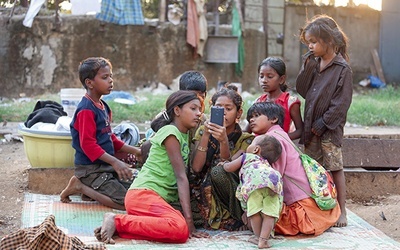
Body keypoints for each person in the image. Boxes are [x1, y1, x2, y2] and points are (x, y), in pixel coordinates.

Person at [95, 90, 210, 244]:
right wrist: (189, 223)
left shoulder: (183, 135)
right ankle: (117, 221)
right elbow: (181, 177)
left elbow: (195, 168)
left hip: (153, 199)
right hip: (143, 195)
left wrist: (206, 135)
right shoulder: (170, 132)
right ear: (177, 110)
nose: (199, 114)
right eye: (193, 108)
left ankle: (122, 225)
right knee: (180, 228)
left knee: (178, 224)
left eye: (200, 110)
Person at [247, 102, 340, 236]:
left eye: (256, 115)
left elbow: (269, 180)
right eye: (250, 117)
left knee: (255, 213)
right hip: (317, 204)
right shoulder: (282, 135)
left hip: (304, 211)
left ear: (274, 119)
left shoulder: (272, 140)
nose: (251, 119)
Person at [60, 57, 141, 210]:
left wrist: (135, 151)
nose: (110, 80)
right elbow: (88, 145)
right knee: (126, 203)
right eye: (105, 77)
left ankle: (91, 192)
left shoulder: (103, 106)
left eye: (111, 76)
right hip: (91, 170)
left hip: (105, 167)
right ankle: (81, 186)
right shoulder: (86, 110)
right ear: (89, 83)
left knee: (138, 188)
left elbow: (109, 137)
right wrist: (115, 162)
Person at [296, 14, 352, 227]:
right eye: (308, 42)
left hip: (329, 129)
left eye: (313, 42)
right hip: (311, 127)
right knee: (312, 168)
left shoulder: (342, 69)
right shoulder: (314, 62)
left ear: (328, 41)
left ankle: (342, 210)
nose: (310, 46)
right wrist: (307, 66)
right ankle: (317, 208)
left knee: (334, 167)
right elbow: (302, 90)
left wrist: (323, 123)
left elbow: (341, 103)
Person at [191, 87, 254, 231]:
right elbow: (196, 168)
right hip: (203, 187)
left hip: (231, 192)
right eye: (218, 107)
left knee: (218, 172)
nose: (223, 112)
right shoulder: (203, 131)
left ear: (238, 113)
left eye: (228, 108)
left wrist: (224, 141)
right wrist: (206, 135)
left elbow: (227, 169)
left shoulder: (246, 140)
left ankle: (238, 215)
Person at [221, 134, 283, 248]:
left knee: (254, 212)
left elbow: (229, 168)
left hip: (255, 184)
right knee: (269, 214)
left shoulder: (247, 157)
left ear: (256, 149)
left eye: (251, 144)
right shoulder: (268, 165)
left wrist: (224, 164)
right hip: (273, 180)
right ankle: (264, 240)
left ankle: (257, 237)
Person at [141, 70, 208, 164]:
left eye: (201, 97)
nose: (197, 101)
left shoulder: (204, 121)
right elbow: (147, 147)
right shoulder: (166, 117)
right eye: (191, 97)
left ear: (205, 95)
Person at [246, 57, 303, 140]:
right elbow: (248, 130)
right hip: (257, 147)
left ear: (281, 79)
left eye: (269, 77)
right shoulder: (258, 102)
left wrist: (280, 139)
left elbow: (300, 131)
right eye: (261, 76)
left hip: (279, 147)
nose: (264, 80)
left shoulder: (290, 102)